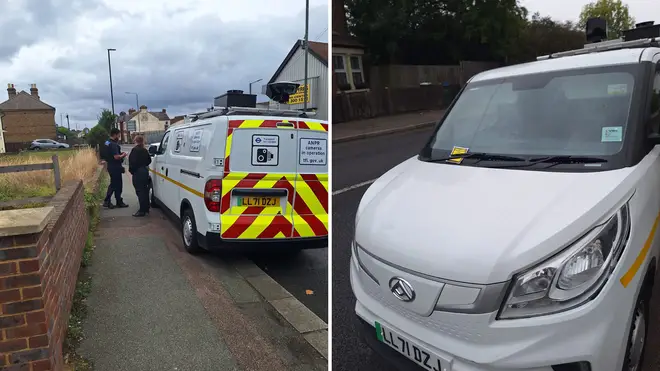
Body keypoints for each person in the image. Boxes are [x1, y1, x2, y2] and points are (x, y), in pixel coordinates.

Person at [102, 128, 129, 209]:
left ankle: (118, 201)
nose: (119, 137)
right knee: (115, 185)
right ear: (115, 134)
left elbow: (107, 153)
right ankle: (107, 201)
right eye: (119, 135)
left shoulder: (107, 142)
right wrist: (123, 155)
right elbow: (116, 157)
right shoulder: (113, 144)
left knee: (115, 184)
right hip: (115, 166)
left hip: (110, 165)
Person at [128, 135, 152, 217]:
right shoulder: (144, 150)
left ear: (136, 141)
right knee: (145, 190)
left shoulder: (135, 150)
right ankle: (146, 208)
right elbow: (149, 160)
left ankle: (142, 211)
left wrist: (132, 171)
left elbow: (132, 162)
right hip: (144, 171)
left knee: (139, 191)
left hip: (138, 172)